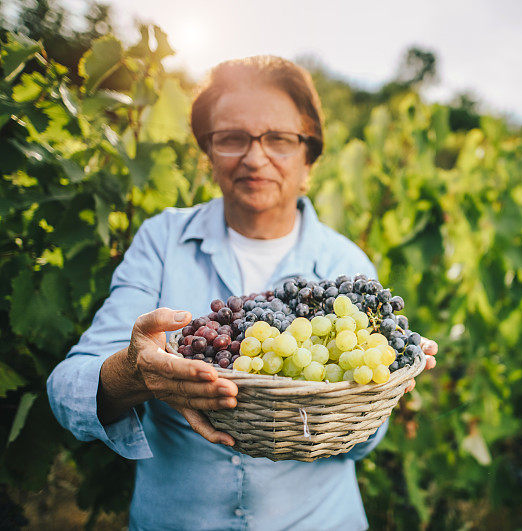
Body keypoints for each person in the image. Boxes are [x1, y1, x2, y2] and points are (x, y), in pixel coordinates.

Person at [47, 55, 438, 531]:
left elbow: (361, 443)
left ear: (308, 154)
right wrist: (132, 375)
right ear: (208, 151)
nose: (255, 157)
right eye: (232, 138)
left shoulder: (348, 268)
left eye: (279, 139)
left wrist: (379, 399)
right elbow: (66, 391)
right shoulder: (162, 242)